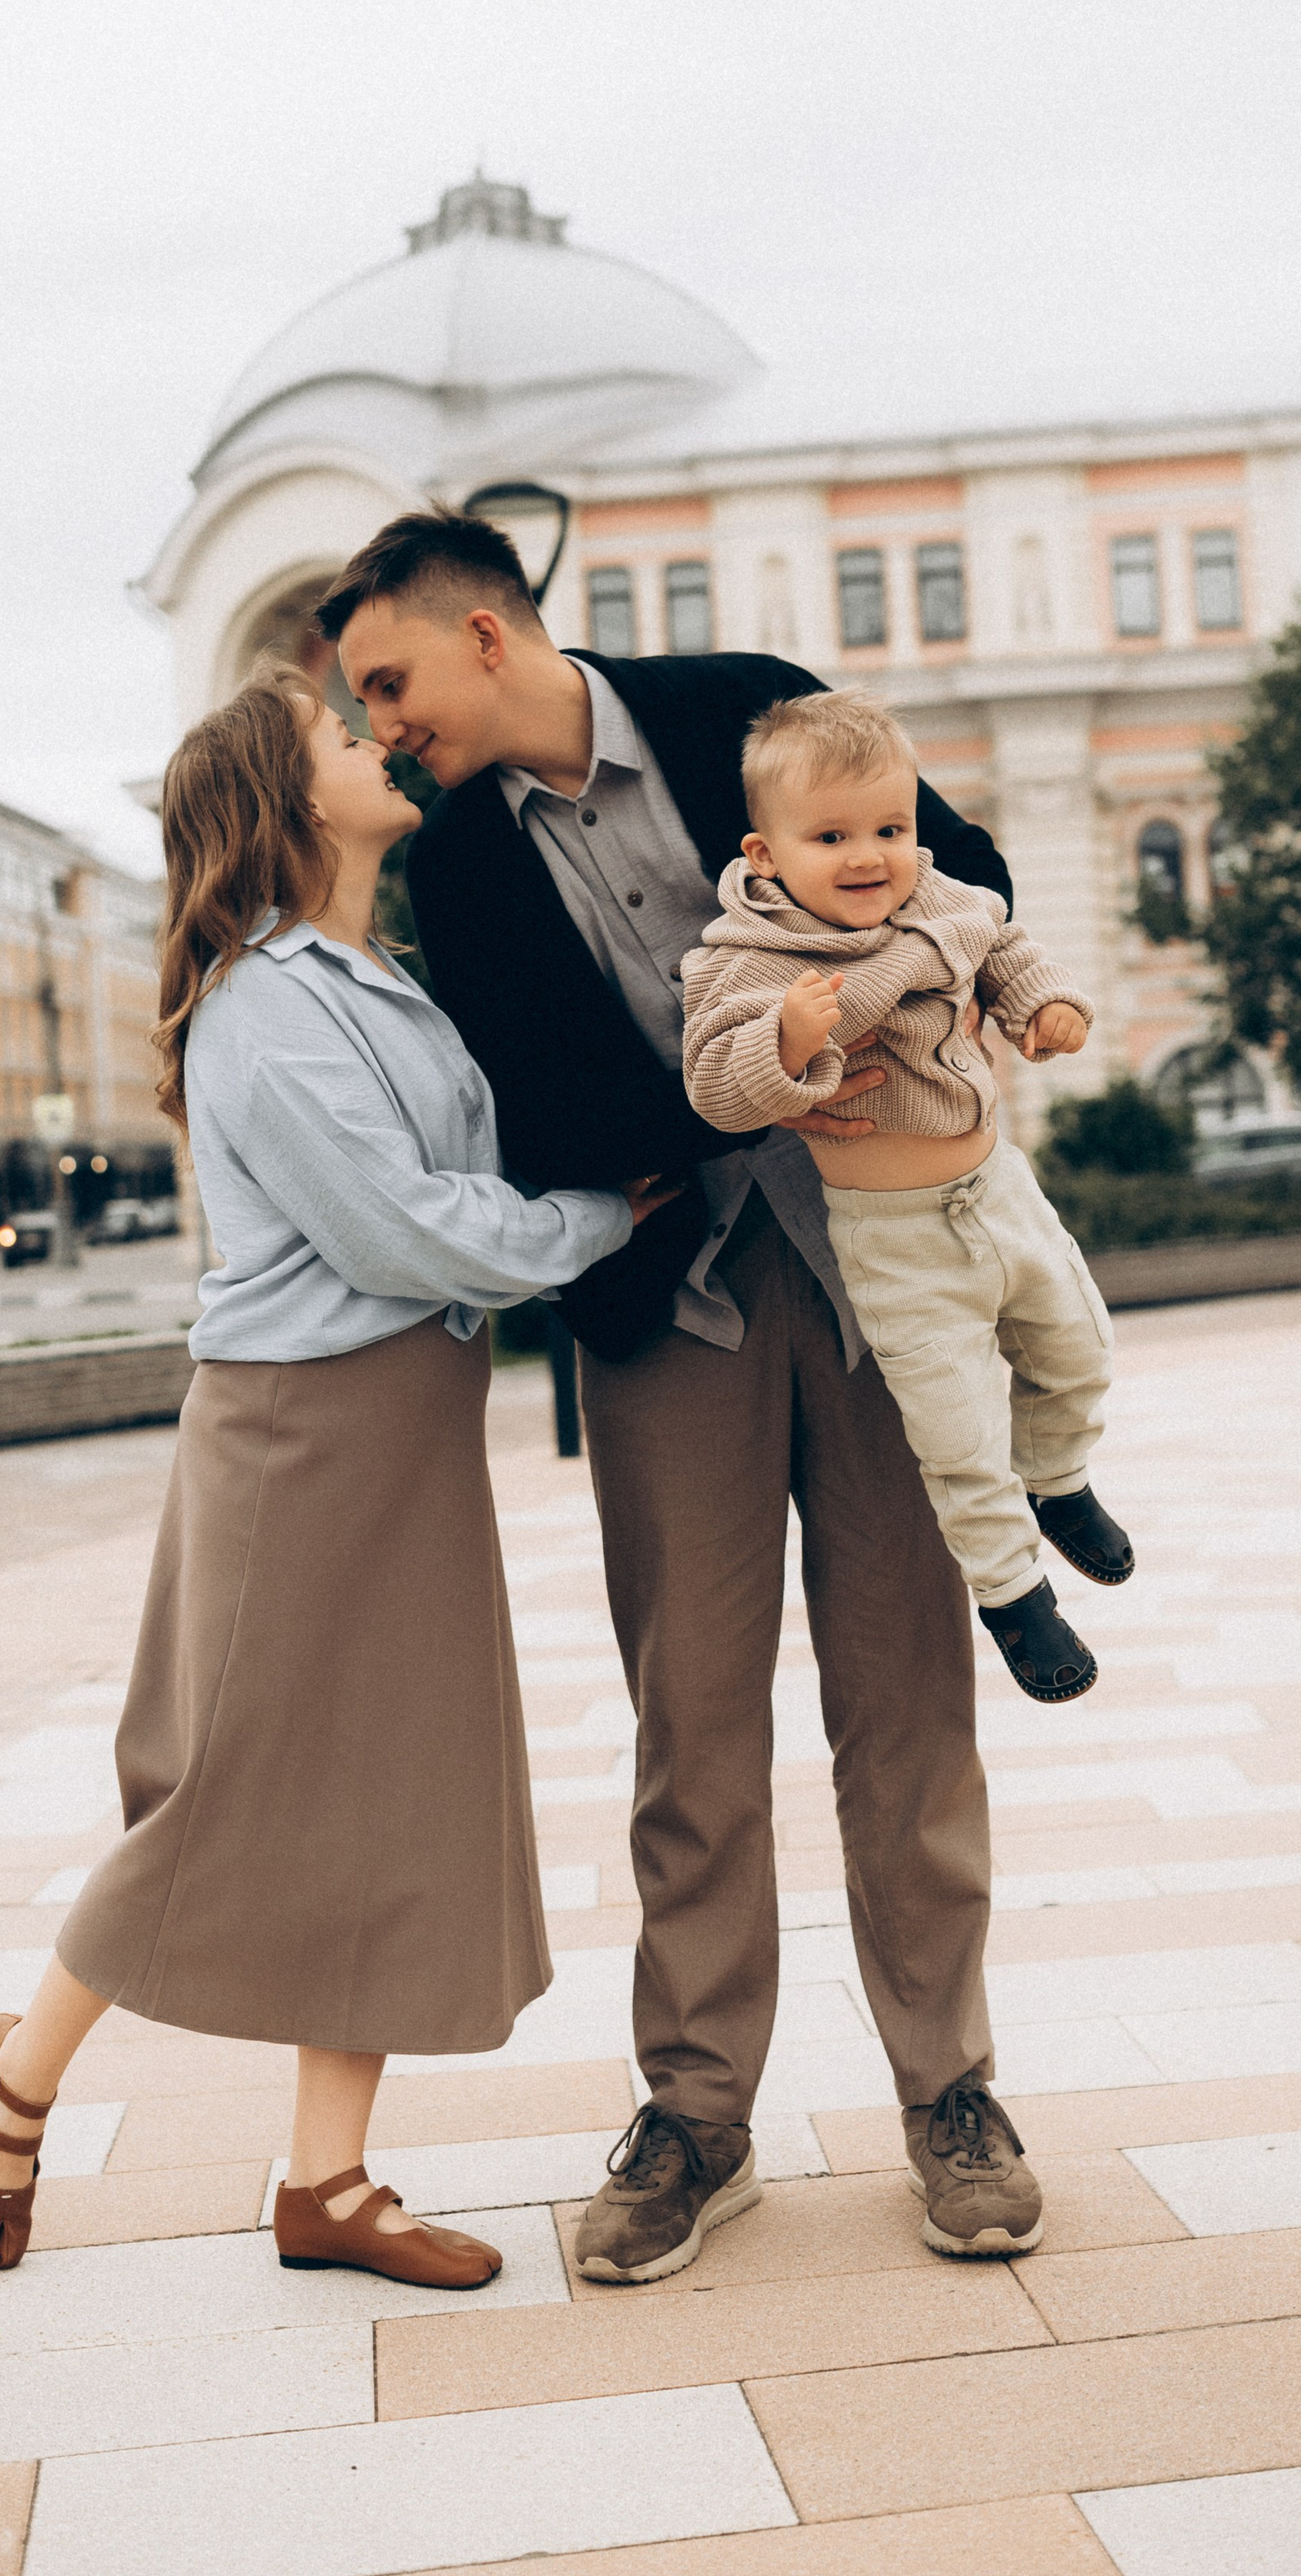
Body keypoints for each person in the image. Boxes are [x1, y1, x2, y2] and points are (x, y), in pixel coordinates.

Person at [324, 509, 1049, 2271]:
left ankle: (949, 2089)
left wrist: (906, 1010)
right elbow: (534, 1108)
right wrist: (745, 1092)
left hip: (887, 1281)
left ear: (484, 634)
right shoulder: (461, 867)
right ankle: (697, 2111)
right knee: (691, 1729)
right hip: (671, 1313)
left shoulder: (751, 704)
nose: (379, 727)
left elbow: (969, 877)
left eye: (387, 683)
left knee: (906, 1710)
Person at [0, 662, 666, 2290]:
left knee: (393, 1792)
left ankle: (326, 2185)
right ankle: (18, 2071)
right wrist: (603, 1223)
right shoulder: (263, 1005)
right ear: (281, 800)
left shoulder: (376, 973)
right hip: (299, 1436)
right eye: (346, 734)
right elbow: (396, 1228)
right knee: (229, 1793)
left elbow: (451, 1181)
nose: (380, 740)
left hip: (406, 1429)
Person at [681, 687, 1133, 1706]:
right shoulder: (746, 957)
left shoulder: (935, 900)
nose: (868, 856)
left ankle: (1058, 1478)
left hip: (997, 1188)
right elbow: (711, 1083)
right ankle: (1015, 1598)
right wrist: (787, 1041)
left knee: (1078, 1346)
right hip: (894, 1238)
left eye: (890, 827)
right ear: (764, 853)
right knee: (955, 1427)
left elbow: (1004, 943)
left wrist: (1046, 1003)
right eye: (831, 834)